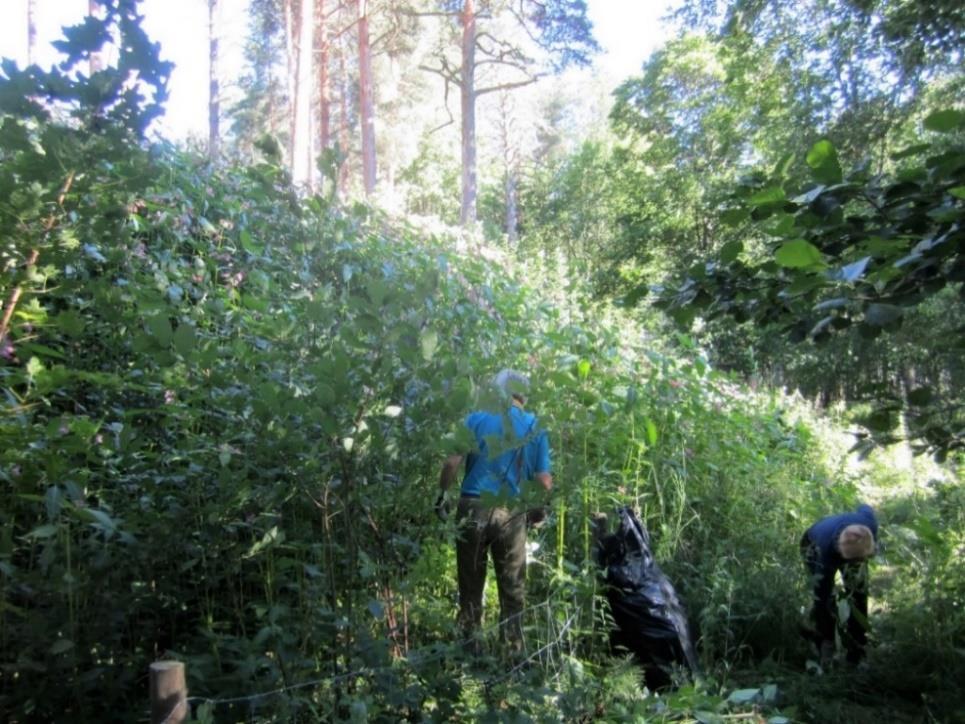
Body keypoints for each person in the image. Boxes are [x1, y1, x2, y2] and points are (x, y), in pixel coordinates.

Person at [436, 369, 552, 652]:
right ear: (524, 395)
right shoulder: (535, 425)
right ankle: (511, 656)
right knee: (512, 590)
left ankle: (470, 652)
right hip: (511, 513)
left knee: (470, 588)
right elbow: (544, 482)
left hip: (472, 508)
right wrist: (537, 512)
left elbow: (451, 463)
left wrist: (442, 495)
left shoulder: (476, 419)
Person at [800, 503, 878, 665]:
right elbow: (820, 597)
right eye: (856, 560)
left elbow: (864, 506)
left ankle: (858, 647)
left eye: (864, 558)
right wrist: (827, 636)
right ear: (842, 555)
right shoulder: (825, 554)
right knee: (825, 598)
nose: (861, 562)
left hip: (845, 542)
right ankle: (825, 642)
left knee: (858, 592)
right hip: (812, 542)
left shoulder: (869, 523)